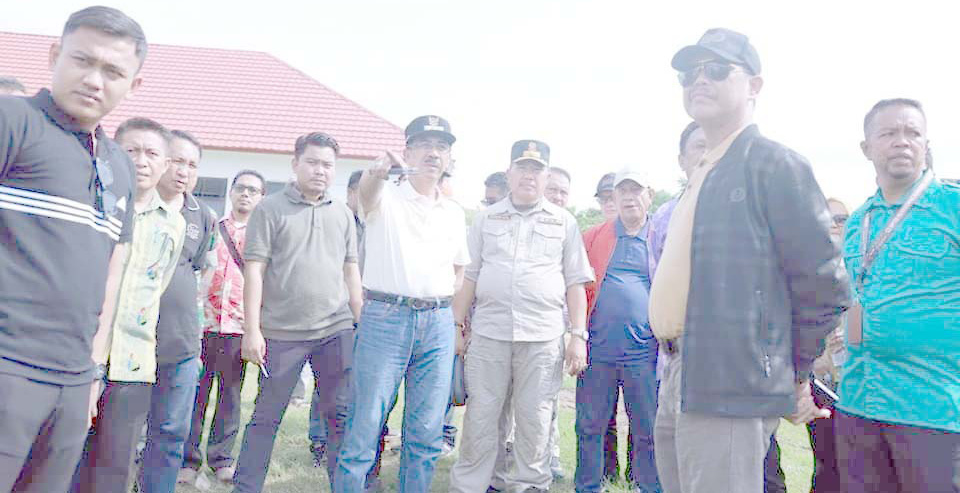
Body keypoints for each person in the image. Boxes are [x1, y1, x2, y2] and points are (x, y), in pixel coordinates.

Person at [651, 28, 849, 493]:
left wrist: (792, 372)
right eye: (690, 73)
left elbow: (826, 284)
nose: (700, 80)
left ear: (754, 86)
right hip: (680, 370)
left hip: (732, 383)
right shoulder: (705, 171)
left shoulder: (773, 164)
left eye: (717, 69)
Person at [0, 6, 144, 492]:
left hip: (71, 382)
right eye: (83, 61)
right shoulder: (11, 121)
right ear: (55, 55)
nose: (94, 80)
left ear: (133, 85)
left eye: (113, 72)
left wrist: (92, 373)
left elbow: (111, 271)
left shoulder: (118, 165)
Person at [449, 139, 594, 493]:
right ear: (509, 173)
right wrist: (456, 325)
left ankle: (530, 484)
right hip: (489, 335)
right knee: (483, 416)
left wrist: (578, 335)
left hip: (542, 337)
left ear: (546, 176)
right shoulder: (486, 218)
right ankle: (477, 484)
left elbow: (576, 282)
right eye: (522, 168)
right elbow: (469, 275)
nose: (529, 176)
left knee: (535, 418)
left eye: (537, 169)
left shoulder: (564, 222)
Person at [335, 115, 470, 493]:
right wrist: (376, 172)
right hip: (386, 318)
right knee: (365, 425)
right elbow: (367, 194)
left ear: (449, 158)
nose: (433, 153)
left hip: (437, 322)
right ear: (407, 150)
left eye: (442, 146)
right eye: (424, 144)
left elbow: (459, 271)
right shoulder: (385, 196)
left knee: (426, 431)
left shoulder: (454, 211)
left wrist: (442, 307)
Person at [836, 98, 960, 493]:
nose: (902, 142)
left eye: (912, 133)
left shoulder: (953, 207)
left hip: (933, 410)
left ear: (927, 143)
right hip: (858, 403)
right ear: (867, 148)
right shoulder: (858, 221)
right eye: (889, 133)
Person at [234, 132, 361, 492]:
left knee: (340, 416)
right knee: (265, 417)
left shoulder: (342, 213)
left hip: (335, 331)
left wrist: (360, 319)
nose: (320, 170)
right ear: (295, 164)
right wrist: (252, 330)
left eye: (327, 165)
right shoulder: (269, 209)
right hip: (282, 333)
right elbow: (254, 271)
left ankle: (345, 485)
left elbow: (350, 270)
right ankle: (246, 486)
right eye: (313, 162)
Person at [70, 117, 185, 493]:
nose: (141, 160)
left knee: (114, 468)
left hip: (132, 362)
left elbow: (159, 284)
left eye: (152, 153)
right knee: (64, 460)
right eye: (131, 150)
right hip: (76, 355)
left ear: (166, 164)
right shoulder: (88, 206)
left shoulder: (174, 224)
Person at [576, 168, 661, 493]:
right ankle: (587, 486)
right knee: (589, 426)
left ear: (649, 195)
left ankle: (649, 487)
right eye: (621, 191)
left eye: (635, 190)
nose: (628, 197)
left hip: (645, 352)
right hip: (598, 349)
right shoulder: (594, 237)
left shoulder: (660, 238)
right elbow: (575, 289)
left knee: (648, 429)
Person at [181, 170, 266, 484]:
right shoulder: (212, 228)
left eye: (253, 191)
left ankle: (221, 459)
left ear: (261, 197)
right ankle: (188, 460)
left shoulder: (264, 235)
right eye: (241, 188)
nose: (246, 194)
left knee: (230, 398)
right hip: (203, 325)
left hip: (239, 328)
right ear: (231, 192)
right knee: (195, 395)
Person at [145, 129, 217, 493]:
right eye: (175, 160)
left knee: (172, 431)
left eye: (192, 164)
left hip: (181, 344)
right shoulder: (133, 204)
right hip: (134, 342)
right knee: (120, 432)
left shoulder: (202, 215)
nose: (183, 171)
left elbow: (202, 272)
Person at [803, 197, 849, 493]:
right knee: (827, 466)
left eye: (841, 218)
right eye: (827, 217)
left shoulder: (865, 265)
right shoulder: (805, 271)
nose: (834, 223)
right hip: (821, 384)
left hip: (859, 384)